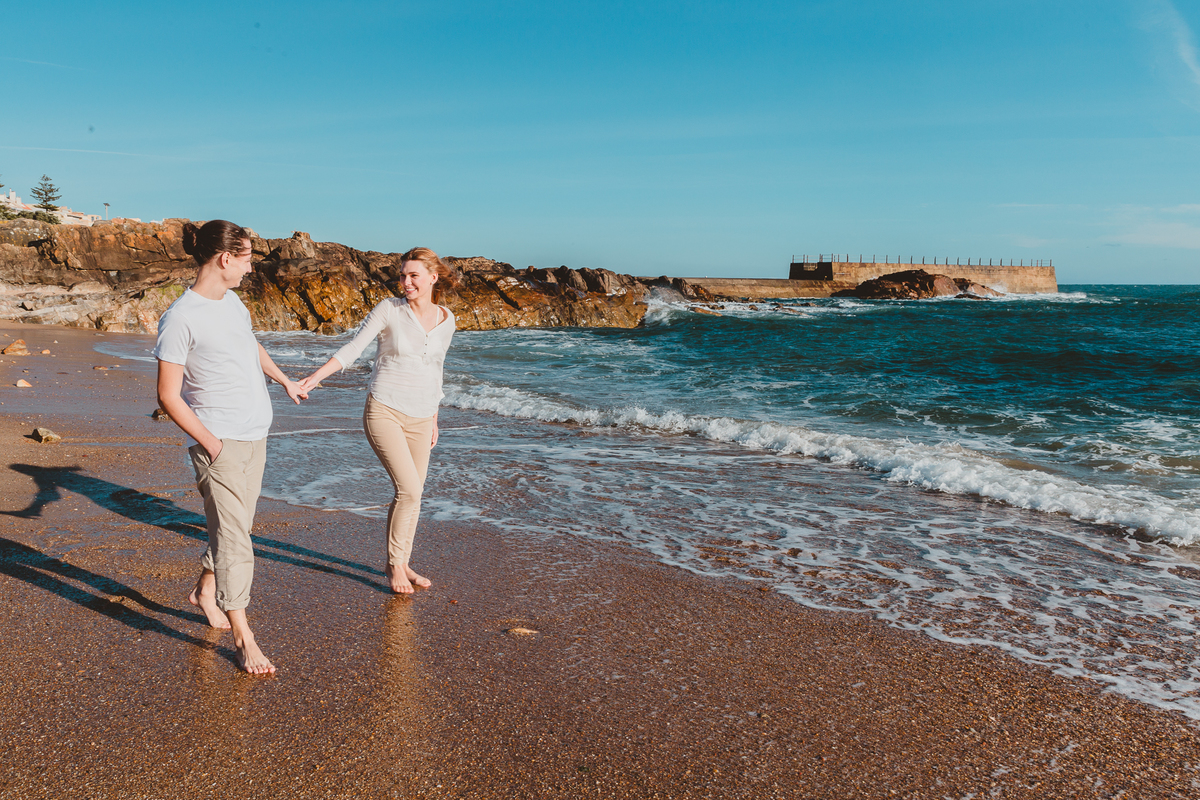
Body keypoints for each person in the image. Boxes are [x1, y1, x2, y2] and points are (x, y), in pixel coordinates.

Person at [154, 219, 307, 674]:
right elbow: (167, 395)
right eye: (246, 258)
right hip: (220, 443)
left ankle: (205, 589)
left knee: (235, 528)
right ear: (225, 259)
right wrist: (212, 445)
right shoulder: (181, 317)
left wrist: (284, 380)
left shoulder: (233, 302)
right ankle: (244, 637)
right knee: (237, 541)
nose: (249, 268)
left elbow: (251, 345)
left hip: (254, 436)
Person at [298, 247, 458, 594]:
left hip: (421, 416)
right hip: (384, 408)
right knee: (409, 489)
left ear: (433, 277)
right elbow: (354, 348)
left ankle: (401, 560)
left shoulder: (448, 319)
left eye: (413, 275)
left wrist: (434, 417)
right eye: (402, 275)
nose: (406, 282)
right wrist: (315, 377)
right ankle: (395, 566)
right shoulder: (389, 309)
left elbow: (436, 371)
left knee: (413, 496)